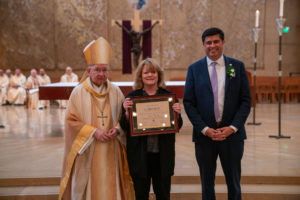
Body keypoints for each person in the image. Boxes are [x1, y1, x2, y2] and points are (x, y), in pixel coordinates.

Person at [59, 37, 134, 200]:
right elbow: (71, 121)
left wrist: (118, 129)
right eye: (97, 70)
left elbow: (124, 117)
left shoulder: (116, 91)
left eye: (105, 70)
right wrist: (94, 132)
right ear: (88, 71)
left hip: (112, 148)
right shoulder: (78, 93)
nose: (101, 74)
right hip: (88, 150)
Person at [183, 27, 251, 200]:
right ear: (203, 45)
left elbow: (245, 101)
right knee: (207, 184)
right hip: (205, 137)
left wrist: (233, 127)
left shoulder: (236, 66)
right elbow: (189, 103)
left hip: (232, 136)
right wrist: (204, 129)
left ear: (223, 42)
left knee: (234, 182)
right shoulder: (194, 69)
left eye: (216, 42)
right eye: (208, 42)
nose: (212, 46)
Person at [120, 58, 183, 200]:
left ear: (158, 75)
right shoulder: (132, 97)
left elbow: (178, 125)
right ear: (140, 76)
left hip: (162, 156)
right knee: (141, 195)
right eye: (146, 72)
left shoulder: (168, 96)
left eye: (153, 72)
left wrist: (177, 115)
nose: (150, 75)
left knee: (163, 195)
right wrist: (126, 113)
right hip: (140, 156)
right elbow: (124, 126)